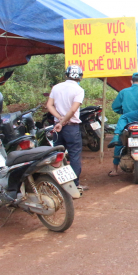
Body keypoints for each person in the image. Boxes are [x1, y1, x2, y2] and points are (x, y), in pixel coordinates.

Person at [47, 64, 86, 195]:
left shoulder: (56, 87)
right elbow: (73, 109)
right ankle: (74, 185)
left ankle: (57, 185)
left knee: (57, 156)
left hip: (58, 127)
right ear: (80, 77)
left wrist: (59, 119)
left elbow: (49, 105)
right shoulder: (79, 90)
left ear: (66, 75)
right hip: (72, 128)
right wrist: (64, 121)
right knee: (74, 155)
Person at [108, 72, 138, 177]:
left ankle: (114, 169)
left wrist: (124, 111)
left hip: (127, 121)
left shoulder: (123, 92)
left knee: (119, 142)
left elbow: (115, 107)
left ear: (131, 81)